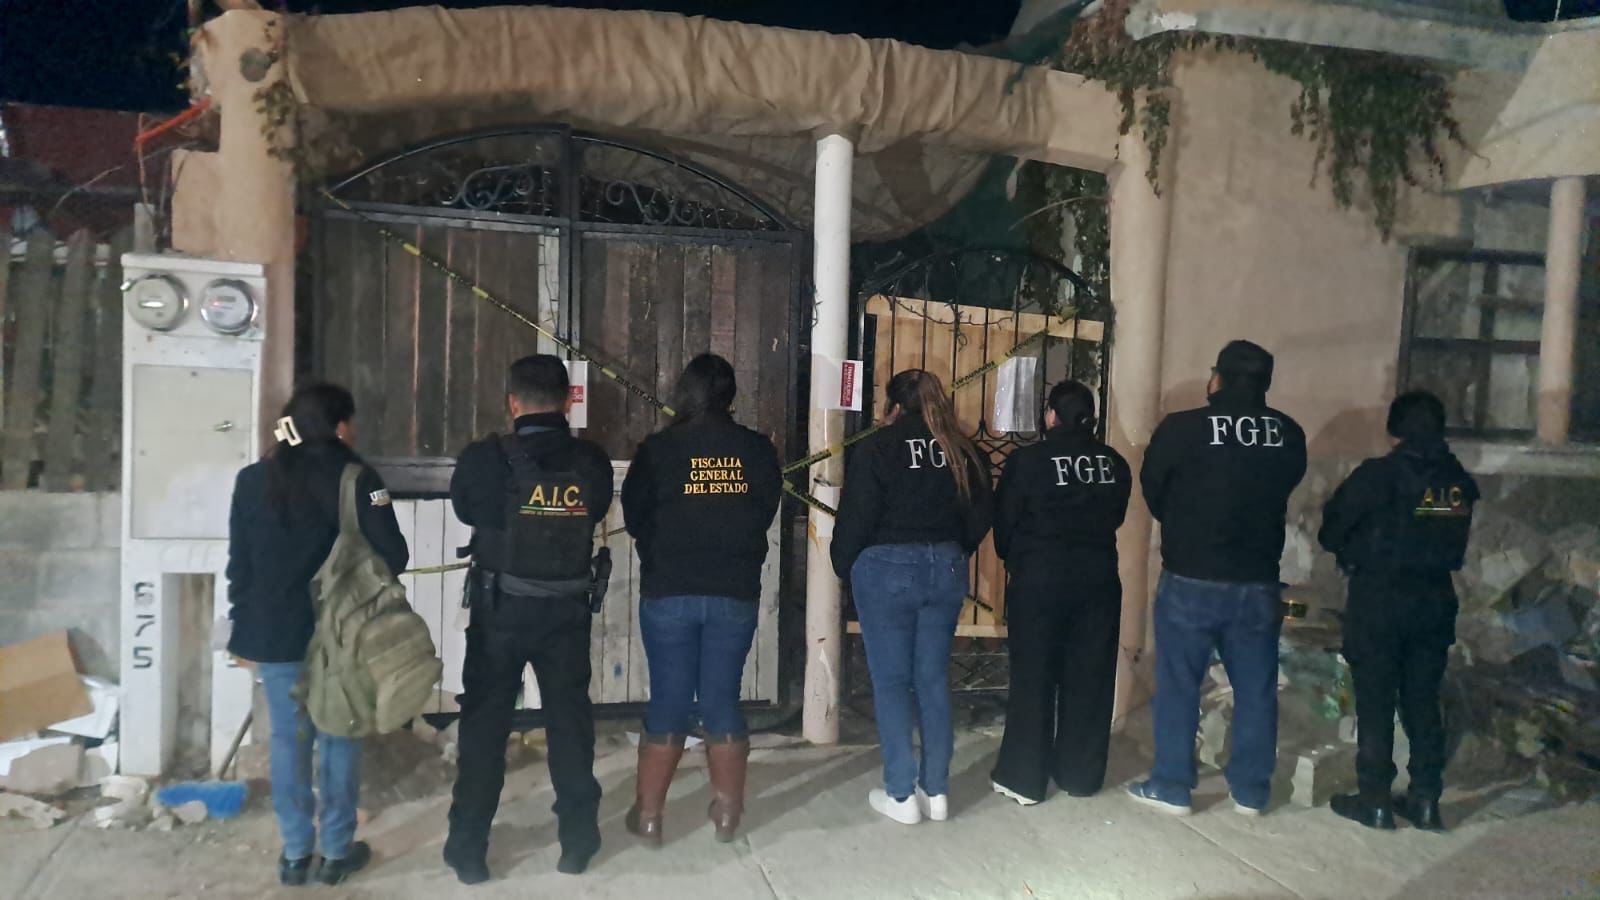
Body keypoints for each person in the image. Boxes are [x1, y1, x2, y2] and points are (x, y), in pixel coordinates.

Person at [227, 383, 408, 887]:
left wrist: (243, 631)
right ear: (340, 426)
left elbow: (240, 564)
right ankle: (335, 852)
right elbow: (394, 556)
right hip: (340, 636)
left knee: (289, 742)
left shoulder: (252, 479)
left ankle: (294, 855)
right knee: (339, 737)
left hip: (273, 635)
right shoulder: (358, 479)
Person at [443, 355, 614, 885]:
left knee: (484, 728)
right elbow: (596, 509)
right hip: (565, 613)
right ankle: (578, 844)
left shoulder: (483, 459)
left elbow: (466, 511)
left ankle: (468, 851)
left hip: (500, 613)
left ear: (513, 403)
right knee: (569, 725)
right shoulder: (592, 462)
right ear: (567, 403)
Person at [1127, 340, 1307, 817]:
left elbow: (1154, 489)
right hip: (1257, 582)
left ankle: (1172, 785)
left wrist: (1185, 524)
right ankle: (1251, 790)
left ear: (1218, 379)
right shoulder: (1287, 433)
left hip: (1191, 577)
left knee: (1179, 685)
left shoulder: (1181, 429)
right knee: (1257, 690)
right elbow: (1284, 485)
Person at [619, 353, 783, 845]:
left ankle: (650, 816)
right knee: (721, 698)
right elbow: (764, 510)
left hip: (670, 589)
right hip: (733, 589)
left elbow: (635, 516)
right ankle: (728, 813)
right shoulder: (756, 450)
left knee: (668, 699)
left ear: (684, 391)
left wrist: (664, 546)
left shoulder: (658, 449)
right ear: (731, 395)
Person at [831, 368, 994, 825]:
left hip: (887, 568)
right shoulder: (963, 450)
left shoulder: (878, 446)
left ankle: (901, 794)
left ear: (894, 406)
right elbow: (981, 511)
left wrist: (844, 564)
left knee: (891, 683)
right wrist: (954, 549)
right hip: (946, 566)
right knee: (932, 681)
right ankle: (935, 791)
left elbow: (858, 514)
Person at [1319, 391, 1477, 832]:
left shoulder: (1377, 476)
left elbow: (1331, 530)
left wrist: (1354, 549)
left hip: (1379, 600)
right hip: (1433, 602)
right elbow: (1448, 537)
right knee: (1422, 700)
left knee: (1375, 702)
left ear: (1395, 430)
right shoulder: (1456, 482)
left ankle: (1375, 800)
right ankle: (1426, 800)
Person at [990, 381, 1131, 806]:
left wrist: (1018, 558)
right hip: (1098, 581)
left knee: (1033, 678)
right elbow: (1116, 516)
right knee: (1090, 677)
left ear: (1051, 415)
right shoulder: (1114, 463)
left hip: (1039, 581)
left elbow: (1005, 523)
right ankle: (1081, 774)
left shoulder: (1028, 461)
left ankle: (1024, 779)